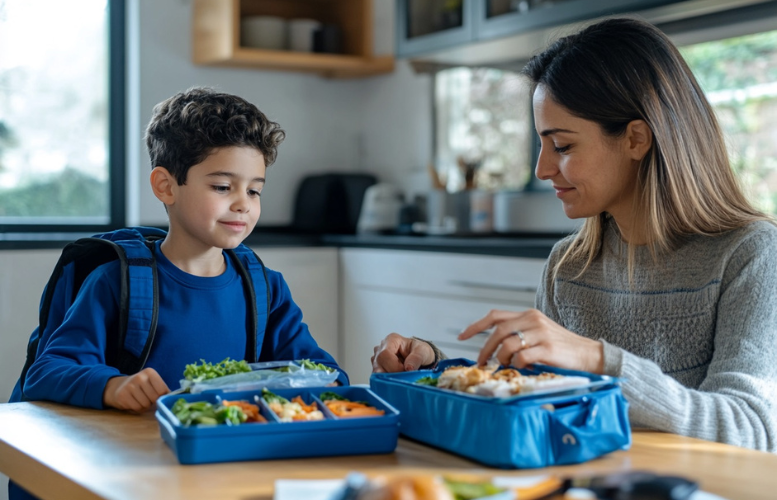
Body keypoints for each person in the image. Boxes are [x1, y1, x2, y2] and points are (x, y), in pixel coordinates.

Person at [372, 17, 777, 452]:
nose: (542, 169)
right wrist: (436, 368)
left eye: (562, 146)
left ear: (636, 139)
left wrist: (599, 360)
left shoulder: (751, 254)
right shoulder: (569, 266)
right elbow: (537, 399)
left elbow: (751, 429)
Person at [10, 87, 348, 499]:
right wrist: (112, 386)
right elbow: (47, 372)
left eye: (254, 190)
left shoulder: (265, 286)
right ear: (166, 186)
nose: (243, 204)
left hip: (225, 478)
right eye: (223, 187)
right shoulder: (117, 282)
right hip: (129, 478)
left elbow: (326, 375)